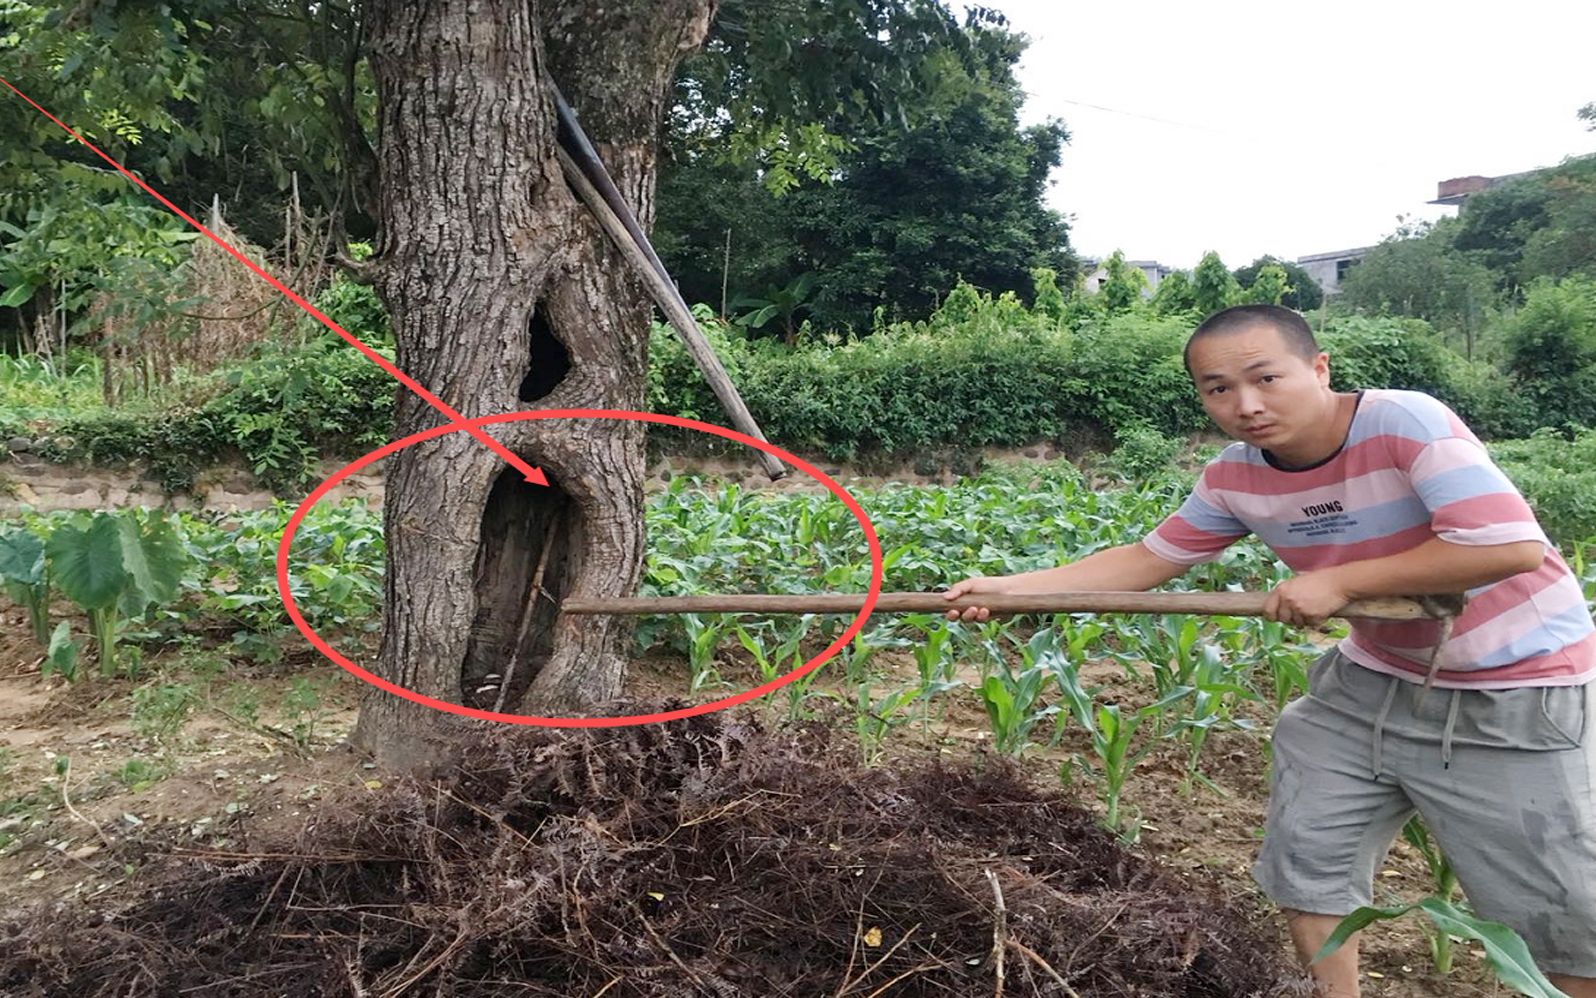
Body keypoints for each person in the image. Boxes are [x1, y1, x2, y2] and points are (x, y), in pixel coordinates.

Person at [943, 304, 1596, 997]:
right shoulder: (1235, 477)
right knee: (1309, 860)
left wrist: (1338, 581)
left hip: (1516, 692)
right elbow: (1148, 559)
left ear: (1319, 368)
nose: (1245, 405)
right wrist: (1014, 589)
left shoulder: (1404, 424)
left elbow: (1508, 546)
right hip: (1369, 684)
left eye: (1266, 378)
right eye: (1218, 388)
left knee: (1560, 916)